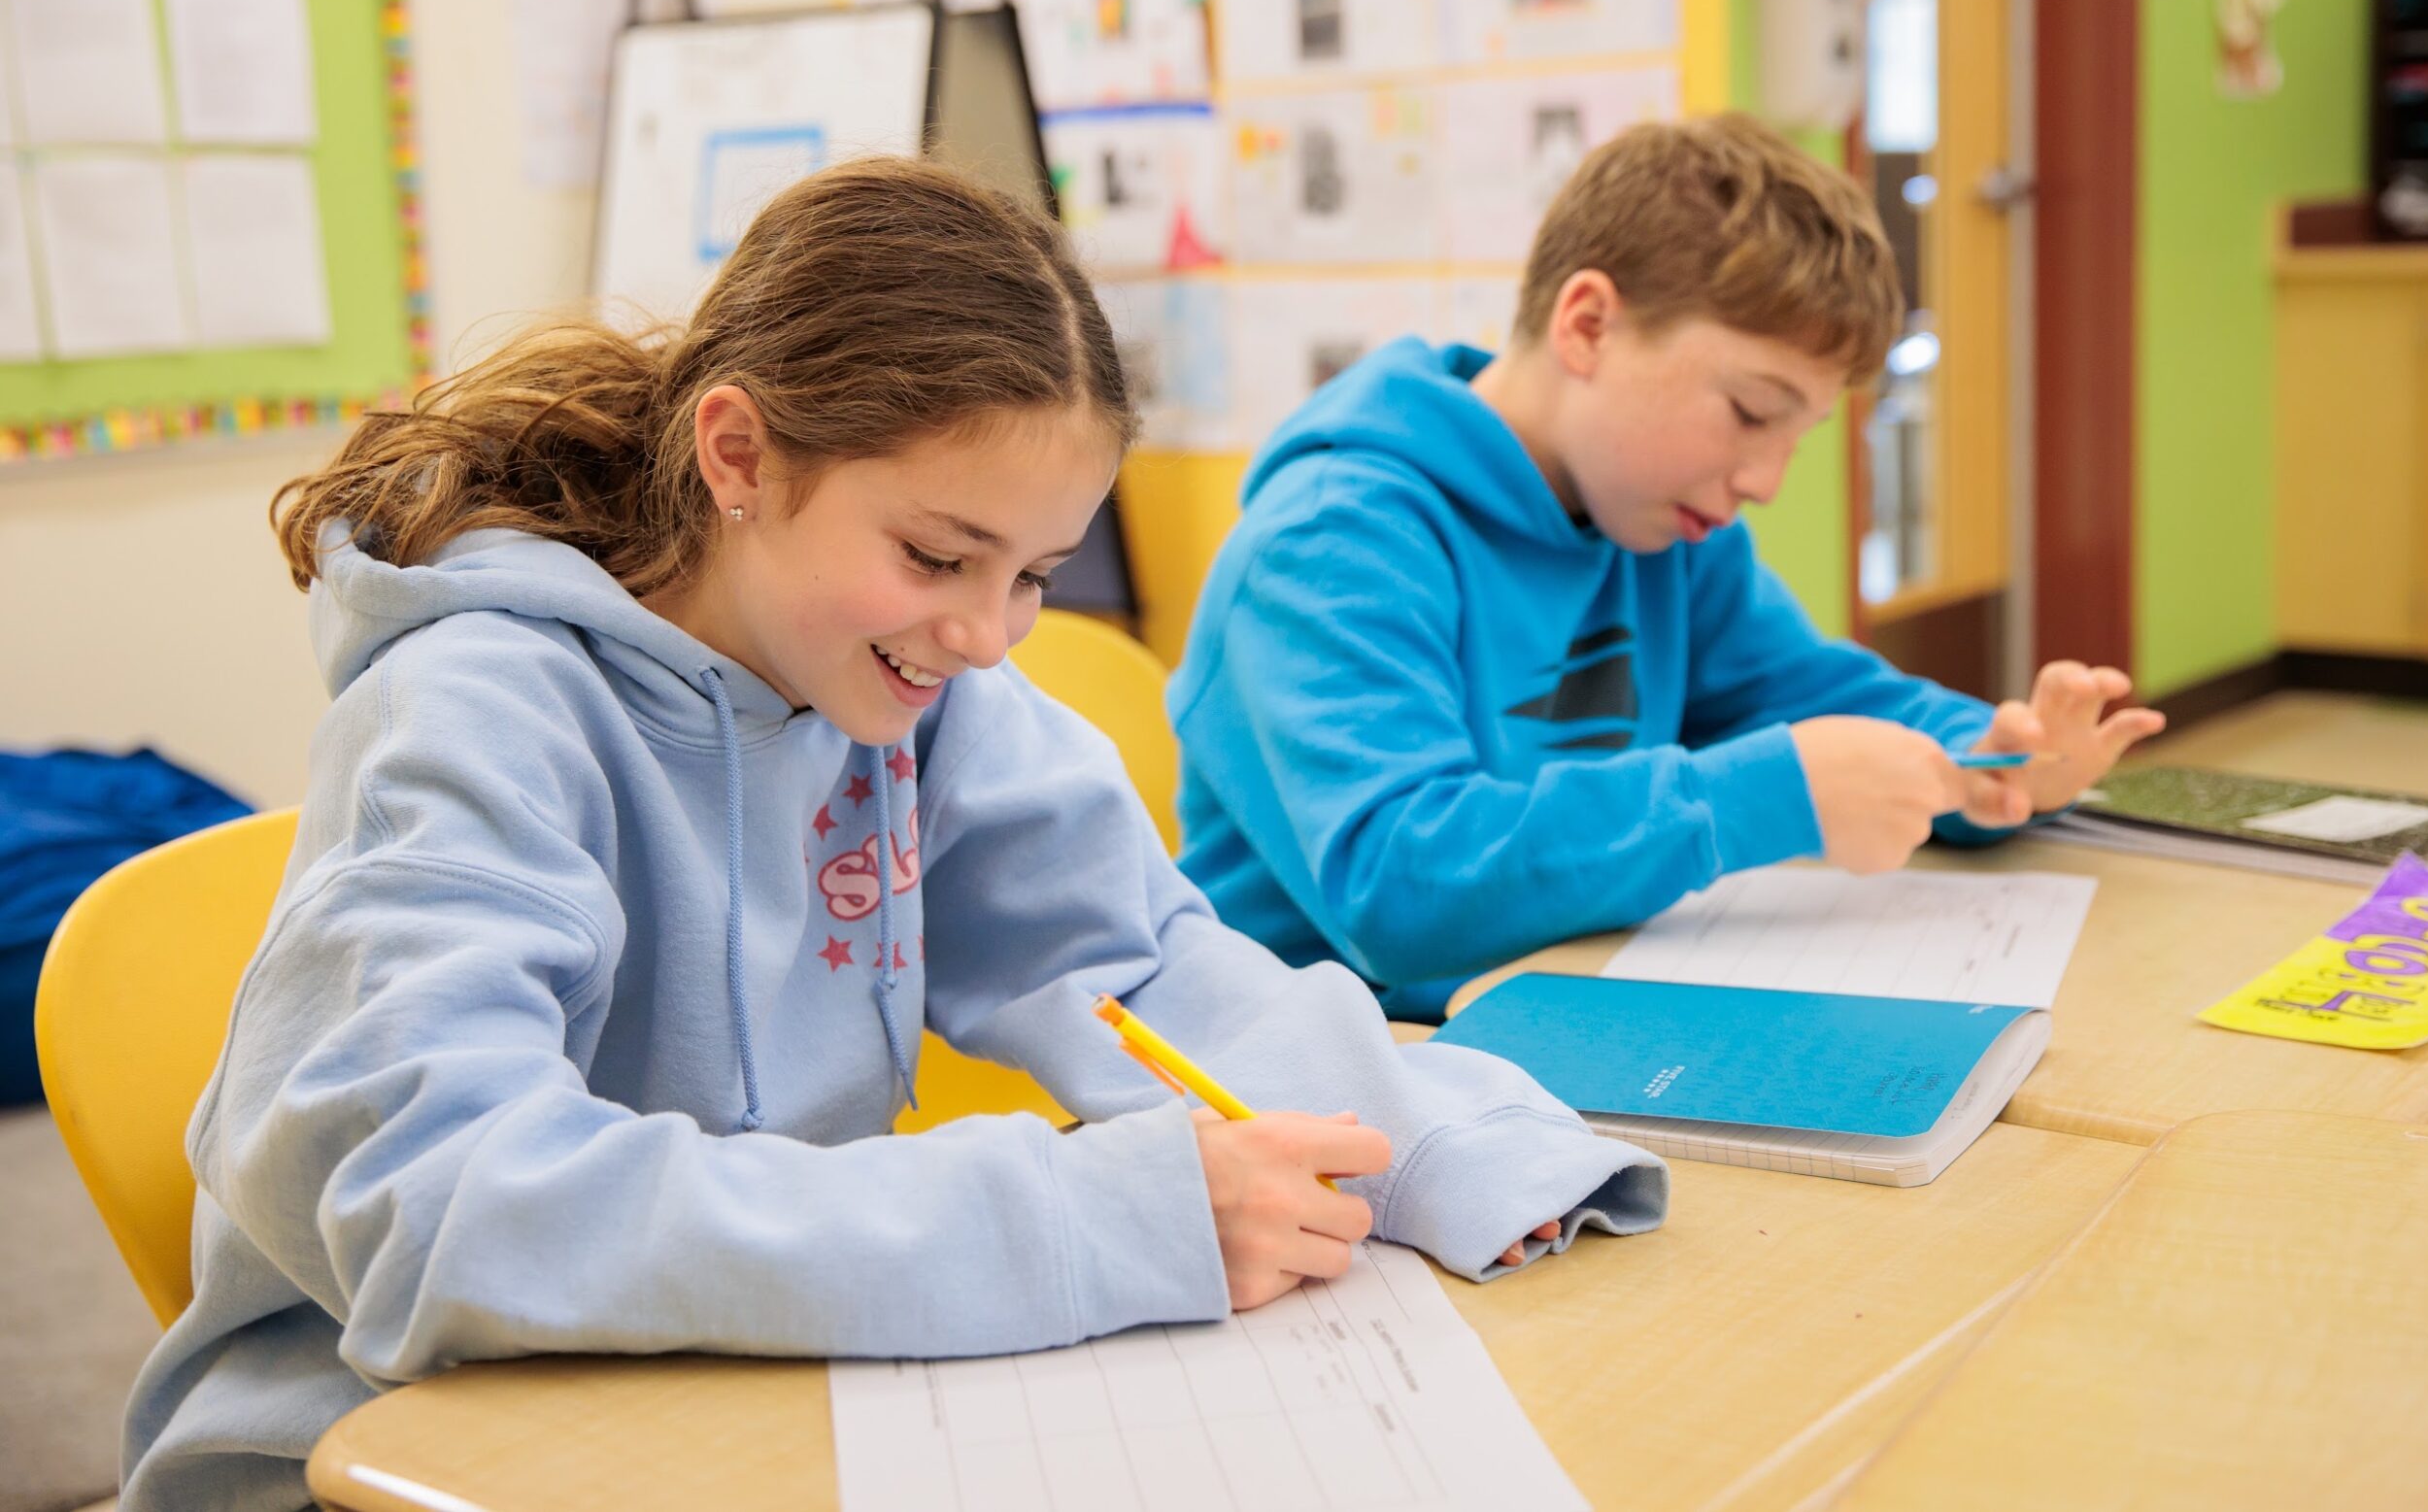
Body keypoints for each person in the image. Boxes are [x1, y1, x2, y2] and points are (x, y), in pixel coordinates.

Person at [120, 159, 1665, 1511]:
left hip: (714, 1389)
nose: (991, 634)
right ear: (739, 455)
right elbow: (442, 1203)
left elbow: (1147, 967)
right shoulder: (475, 711)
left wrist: (1453, 1159)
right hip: (381, 1449)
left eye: (1038, 573)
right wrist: (1076, 1213)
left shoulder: (909, 685)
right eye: (940, 552)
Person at [1169, 116, 2165, 1020]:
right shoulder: (1330, 545)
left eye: (1799, 436)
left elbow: (1822, 701)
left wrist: (1995, 760)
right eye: (1748, 411)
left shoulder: (1664, 528)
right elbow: (1399, 892)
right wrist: (1761, 793)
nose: (1767, 479)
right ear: (1589, 324)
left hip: (1559, 1024)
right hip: (1317, 1085)